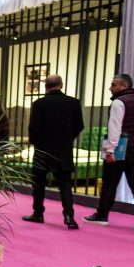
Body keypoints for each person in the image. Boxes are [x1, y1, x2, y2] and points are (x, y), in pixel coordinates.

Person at [83, 74, 134, 231]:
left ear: (124, 86)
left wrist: (110, 149)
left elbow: (115, 128)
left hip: (120, 150)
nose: (110, 87)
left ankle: (102, 215)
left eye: (114, 85)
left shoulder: (118, 102)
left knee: (109, 183)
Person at [22, 75, 84, 229]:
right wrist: (67, 139)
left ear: (46, 87)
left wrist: (35, 141)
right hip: (63, 149)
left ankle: (38, 213)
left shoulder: (39, 103)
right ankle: (69, 215)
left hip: (43, 149)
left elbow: (33, 127)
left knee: (39, 183)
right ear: (61, 85)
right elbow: (79, 126)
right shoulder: (74, 103)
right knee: (65, 184)